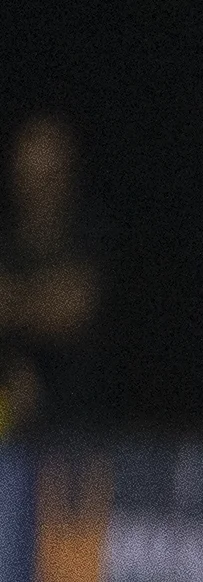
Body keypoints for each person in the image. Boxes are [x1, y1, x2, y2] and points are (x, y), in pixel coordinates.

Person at [0, 111, 108, 437]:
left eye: (51, 172)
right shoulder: (6, 240)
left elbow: (74, 310)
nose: (41, 182)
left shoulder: (93, 235)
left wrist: (16, 301)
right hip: (13, 430)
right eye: (33, 171)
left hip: (85, 432)